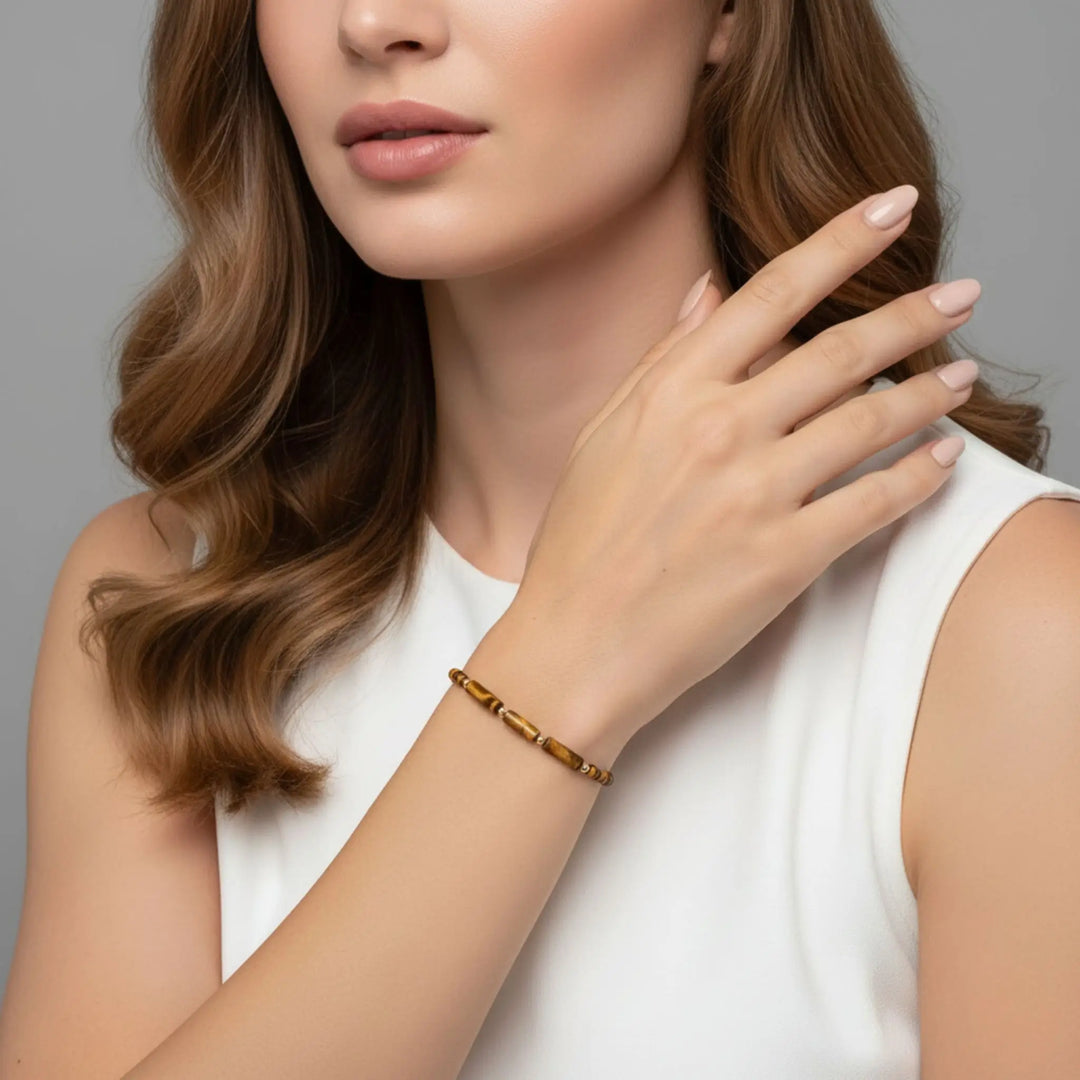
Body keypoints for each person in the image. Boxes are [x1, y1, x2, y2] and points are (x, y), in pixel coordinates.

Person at [2, 0, 1080, 1076]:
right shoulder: (165, 598)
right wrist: (565, 659)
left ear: (735, 15)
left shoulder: (1014, 627)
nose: (376, 23)